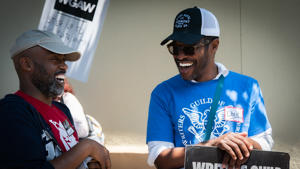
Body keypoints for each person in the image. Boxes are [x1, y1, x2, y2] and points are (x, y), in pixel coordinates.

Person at [146, 7, 273, 169]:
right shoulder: (163, 93)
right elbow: (160, 158)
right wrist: (210, 145)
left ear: (214, 46)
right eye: (175, 49)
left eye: (189, 48)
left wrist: (240, 145)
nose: (180, 56)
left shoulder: (247, 87)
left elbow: (265, 141)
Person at [0, 30, 111, 169]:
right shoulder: (11, 112)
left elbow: (69, 157)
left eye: (64, 60)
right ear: (27, 64)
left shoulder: (62, 109)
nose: (64, 66)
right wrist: (86, 147)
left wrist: (87, 162)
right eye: (54, 59)